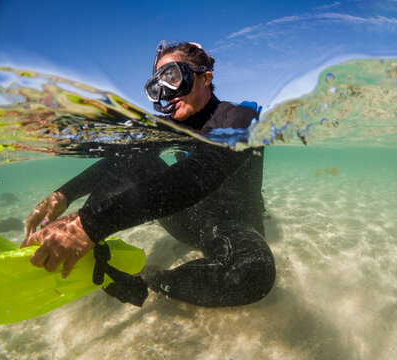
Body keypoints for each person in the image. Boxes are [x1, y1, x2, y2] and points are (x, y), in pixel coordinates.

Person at [21, 42, 276, 307]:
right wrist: (64, 194)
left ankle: (153, 280)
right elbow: (125, 159)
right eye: (156, 88)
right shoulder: (170, 125)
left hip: (236, 226)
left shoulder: (242, 118)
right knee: (135, 155)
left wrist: (92, 224)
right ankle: (85, 247)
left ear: (205, 77)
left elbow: (203, 172)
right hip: (190, 222)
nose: (165, 94)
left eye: (172, 77)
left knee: (254, 274)